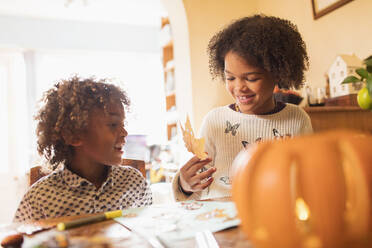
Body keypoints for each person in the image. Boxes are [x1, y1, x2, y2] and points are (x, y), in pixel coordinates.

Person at [172, 15, 313, 201]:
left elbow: (309, 179)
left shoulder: (297, 119)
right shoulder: (215, 121)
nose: (239, 88)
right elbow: (198, 187)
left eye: (251, 78)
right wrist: (185, 185)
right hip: (220, 218)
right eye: (230, 78)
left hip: (274, 216)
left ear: (278, 74)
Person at [14, 76, 152, 222]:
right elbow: (21, 242)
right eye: (113, 124)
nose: (124, 133)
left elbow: (150, 231)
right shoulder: (39, 198)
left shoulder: (134, 182)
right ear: (72, 136)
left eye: (122, 124)